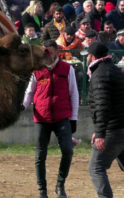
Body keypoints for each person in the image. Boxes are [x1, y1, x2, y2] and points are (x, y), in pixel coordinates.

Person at [82, 42, 124, 198]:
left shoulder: (99, 74)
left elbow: (102, 106)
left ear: (93, 57)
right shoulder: (114, 69)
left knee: (96, 168)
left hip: (115, 129)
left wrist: (100, 133)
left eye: (88, 56)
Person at [23, 39, 78, 198]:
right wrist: (22, 106)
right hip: (41, 118)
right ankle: (43, 190)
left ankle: (60, 184)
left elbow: (74, 94)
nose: (47, 56)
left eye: (50, 52)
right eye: (44, 52)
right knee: (40, 156)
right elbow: (30, 93)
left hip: (62, 117)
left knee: (67, 150)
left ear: (57, 53)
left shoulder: (67, 69)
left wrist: (73, 119)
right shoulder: (37, 70)